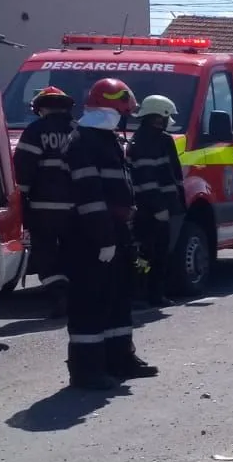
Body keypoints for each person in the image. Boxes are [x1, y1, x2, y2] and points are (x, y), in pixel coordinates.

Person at [64, 78, 157, 389]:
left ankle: (120, 360)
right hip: (89, 236)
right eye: (122, 113)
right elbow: (89, 195)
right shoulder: (82, 142)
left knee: (118, 297)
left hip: (114, 231)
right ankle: (87, 370)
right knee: (90, 302)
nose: (124, 120)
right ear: (109, 110)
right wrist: (103, 239)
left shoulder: (107, 140)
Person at [12, 86, 76, 317]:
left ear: (39, 108)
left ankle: (59, 294)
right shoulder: (79, 131)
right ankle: (76, 295)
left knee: (45, 253)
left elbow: (23, 169)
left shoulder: (35, 131)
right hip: (77, 208)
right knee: (73, 251)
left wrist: (21, 202)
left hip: (43, 208)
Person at [127, 95, 184, 306]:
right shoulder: (149, 141)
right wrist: (159, 208)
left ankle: (150, 293)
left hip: (155, 206)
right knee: (150, 253)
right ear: (159, 117)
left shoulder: (153, 138)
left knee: (154, 252)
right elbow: (147, 177)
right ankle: (146, 293)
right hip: (152, 208)